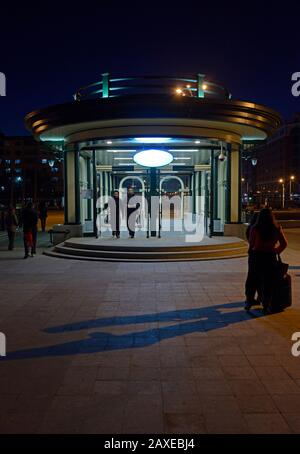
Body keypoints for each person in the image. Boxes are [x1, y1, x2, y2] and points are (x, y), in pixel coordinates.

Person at [246, 208, 288, 313]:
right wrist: (276, 251)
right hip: (270, 257)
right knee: (268, 281)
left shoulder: (255, 228)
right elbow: (284, 244)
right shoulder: (277, 229)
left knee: (253, 279)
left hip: (257, 256)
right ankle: (266, 304)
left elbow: (251, 243)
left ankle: (249, 301)